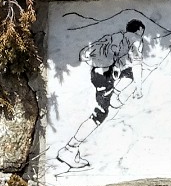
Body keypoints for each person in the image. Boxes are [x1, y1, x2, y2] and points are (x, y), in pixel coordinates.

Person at [56, 19, 148, 170]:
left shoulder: (117, 37)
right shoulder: (136, 39)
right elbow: (137, 64)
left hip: (98, 73)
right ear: (139, 30)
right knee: (100, 113)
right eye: (142, 31)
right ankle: (69, 149)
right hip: (104, 76)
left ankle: (114, 94)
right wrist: (138, 87)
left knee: (127, 74)